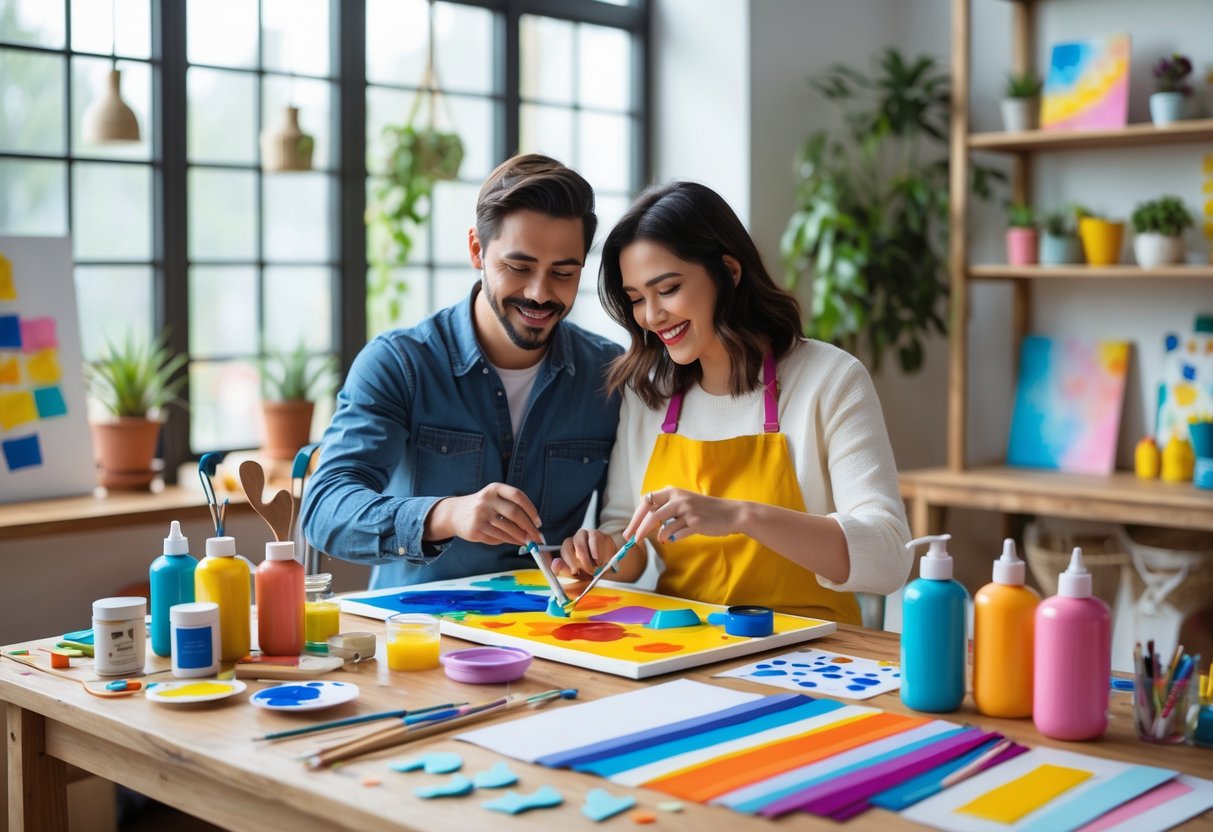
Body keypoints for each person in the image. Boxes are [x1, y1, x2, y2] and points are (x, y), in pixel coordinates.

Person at [557, 181, 910, 624]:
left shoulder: (831, 379)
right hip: (682, 648)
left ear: (729, 270)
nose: (651, 316)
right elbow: (630, 541)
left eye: (666, 289)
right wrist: (603, 552)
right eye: (636, 300)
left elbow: (889, 557)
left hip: (812, 651)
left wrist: (741, 515)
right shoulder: (648, 393)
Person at [302, 154, 623, 589]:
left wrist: (599, 550)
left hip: (548, 636)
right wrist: (445, 515)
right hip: (416, 636)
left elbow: (621, 531)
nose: (540, 293)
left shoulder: (609, 374)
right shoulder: (399, 364)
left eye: (563, 273)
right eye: (518, 267)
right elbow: (324, 511)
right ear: (476, 249)